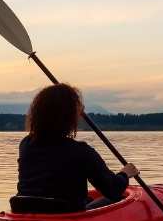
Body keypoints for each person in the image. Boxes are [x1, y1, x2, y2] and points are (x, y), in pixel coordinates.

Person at [13, 83, 139, 212]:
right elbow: (112, 190)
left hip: (24, 210)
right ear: (69, 116)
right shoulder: (81, 151)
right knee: (118, 198)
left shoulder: (26, 144)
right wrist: (125, 174)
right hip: (65, 214)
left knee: (89, 200)